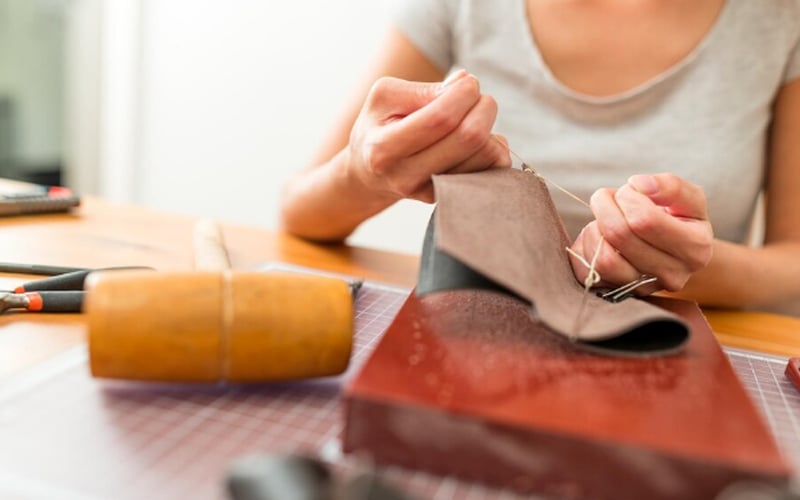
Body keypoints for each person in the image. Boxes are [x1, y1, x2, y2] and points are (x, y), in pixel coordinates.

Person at [280, 0, 800, 315]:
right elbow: (300, 211)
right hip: (479, 335)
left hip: (685, 344)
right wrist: (366, 170)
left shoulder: (780, 19)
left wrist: (697, 264)